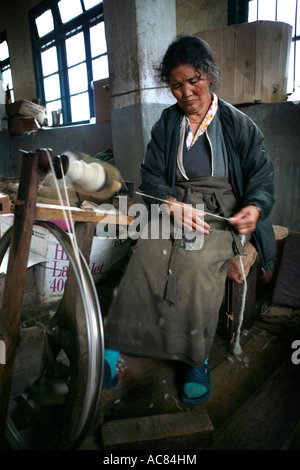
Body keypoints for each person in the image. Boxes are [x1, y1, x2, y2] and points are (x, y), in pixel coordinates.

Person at [102, 35, 276, 404]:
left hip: (220, 213)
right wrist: (169, 202)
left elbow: (261, 177)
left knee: (198, 264)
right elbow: (150, 174)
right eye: (176, 85)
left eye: (193, 80)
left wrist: (254, 208)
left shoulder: (237, 124)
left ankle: (197, 358)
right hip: (176, 206)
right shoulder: (168, 123)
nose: (186, 92)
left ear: (209, 75)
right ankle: (118, 342)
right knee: (146, 253)